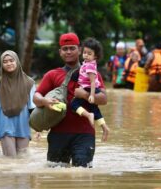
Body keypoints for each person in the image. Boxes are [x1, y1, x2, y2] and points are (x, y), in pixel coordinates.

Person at [33, 32, 107, 168]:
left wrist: (84, 95)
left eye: (72, 48)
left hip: (84, 135)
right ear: (60, 52)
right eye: (65, 49)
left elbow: (103, 99)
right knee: (56, 177)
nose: (68, 52)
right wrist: (45, 102)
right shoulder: (52, 75)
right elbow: (36, 97)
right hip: (58, 134)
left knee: (82, 174)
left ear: (79, 50)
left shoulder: (92, 73)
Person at [0, 50, 37, 157]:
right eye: (5, 62)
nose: (8, 64)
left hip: (23, 123)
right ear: (2, 64)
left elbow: (32, 106)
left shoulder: (29, 82)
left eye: (11, 60)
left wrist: (37, 128)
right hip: (5, 123)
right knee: (10, 161)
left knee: (22, 161)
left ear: (17, 61)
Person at [70, 37, 110, 141]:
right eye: (85, 52)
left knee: (73, 104)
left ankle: (88, 115)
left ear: (95, 56)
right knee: (94, 109)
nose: (86, 55)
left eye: (89, 53)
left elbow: (92, 82)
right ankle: (105, 128)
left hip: (89, 89)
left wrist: (90, 95)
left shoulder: (90, 66)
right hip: (89, 89)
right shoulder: (88, 64)